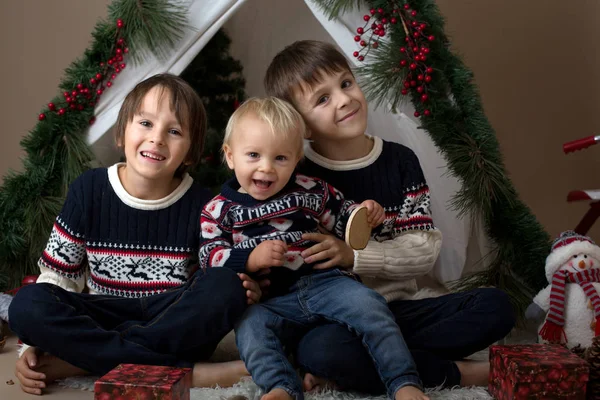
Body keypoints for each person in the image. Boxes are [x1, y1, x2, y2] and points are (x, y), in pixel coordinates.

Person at [263, 40, 516, 394]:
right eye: (322, 99)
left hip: (401, 310)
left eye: (346, 83)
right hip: (340, 322)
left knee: (496, 307)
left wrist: (357, 256)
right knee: (321, 349)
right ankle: (457, 373)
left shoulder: (400, 161)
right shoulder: (297, 178)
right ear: (301, 126)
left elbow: (424, 249)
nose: (344, 99)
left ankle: (370, 366)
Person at [8, 73, 261, 395]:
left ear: (190, 152)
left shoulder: (204, 204)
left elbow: (211, 278)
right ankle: (190, 373)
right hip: (101, 315)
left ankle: (84, 361)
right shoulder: (90, 190)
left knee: (226, 284)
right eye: (145, 123)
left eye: (174, 131)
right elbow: (59, 277)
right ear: (122, 132)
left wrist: (241, 284)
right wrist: (32, 345)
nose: (157, 139)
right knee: (28, 304)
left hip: (169, 319)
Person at [199, 96, 430, 400]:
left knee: (370, 306)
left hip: (326, 282)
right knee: (250, 329)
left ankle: (404, 383)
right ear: (230, 156)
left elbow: (344, 215)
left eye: (280, 158)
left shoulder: (310, 190)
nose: (266, 168)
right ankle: (281, 387)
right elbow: (209, 256)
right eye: (253, 155)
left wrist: (366, 214)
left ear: (296, 159)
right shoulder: (218, 210)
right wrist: (250, 258)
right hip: (272, 299)